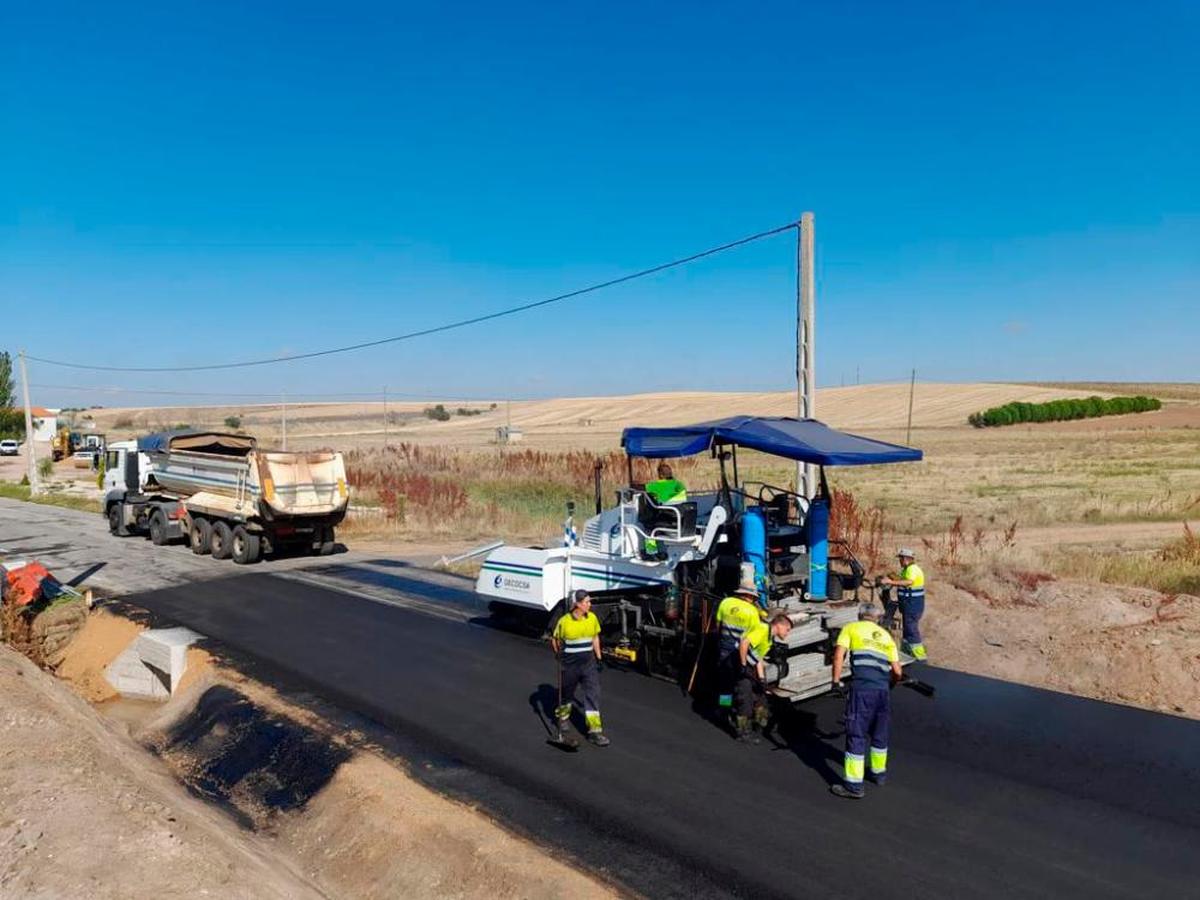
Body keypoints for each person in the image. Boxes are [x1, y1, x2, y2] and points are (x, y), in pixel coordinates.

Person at [829, 603, 902, 799]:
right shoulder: (886, 636)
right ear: (878, 618)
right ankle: (878, 774)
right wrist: (891, 685)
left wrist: (835, 682)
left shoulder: (851, 628)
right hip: (882, 691)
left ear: (860, 615)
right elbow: (897, 671)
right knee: (879, 734)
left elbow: (838, 656)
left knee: (856, 734)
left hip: (862, 690)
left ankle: (853, 786)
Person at [550, 589, 610, 746]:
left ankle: (595, 731)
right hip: (570, 666)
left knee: (593, 694)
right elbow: (555, 639)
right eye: (586, 602)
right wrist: (558, 654)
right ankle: (562, 721)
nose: (590, 605)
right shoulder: (564, 621)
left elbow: (595, 637)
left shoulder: (592, 619)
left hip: (588, 665)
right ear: (577, 604)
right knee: (567, 695)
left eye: (589, 601)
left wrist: (599, 657)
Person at [732, 612, 793, 743]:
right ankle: (742, 731)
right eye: (787, 630)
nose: (787, 634)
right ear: (779, 625)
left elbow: (758, 657)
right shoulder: (762, 629)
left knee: (761, 696)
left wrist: (761, 679)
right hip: (738, 663)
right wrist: (743, 665)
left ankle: (760, 723)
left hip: (749, 664)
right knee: (745, 699)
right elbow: (744, 642)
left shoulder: (769, 639)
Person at [714, 578, 764, 718]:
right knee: (742, 684)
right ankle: (741, 713)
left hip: (724, 648)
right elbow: (751, 639)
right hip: (739, 653)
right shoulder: (752, 612)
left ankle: (724, 709)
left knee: (725, 683)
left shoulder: (725, 602)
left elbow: (718, 626)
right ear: (749, 596)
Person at [880, 548, 927, 660]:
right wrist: (891, 577)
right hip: (908, 605)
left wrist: (890, 582)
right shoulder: (905, 569)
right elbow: (901, 579)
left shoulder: (913, 569)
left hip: (913, 605)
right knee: (907, 630)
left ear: (906, 559)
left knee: (911, 630)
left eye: (900, 559)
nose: (899, 561)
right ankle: (908, 653)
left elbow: (908, 582)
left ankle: (920, 657)